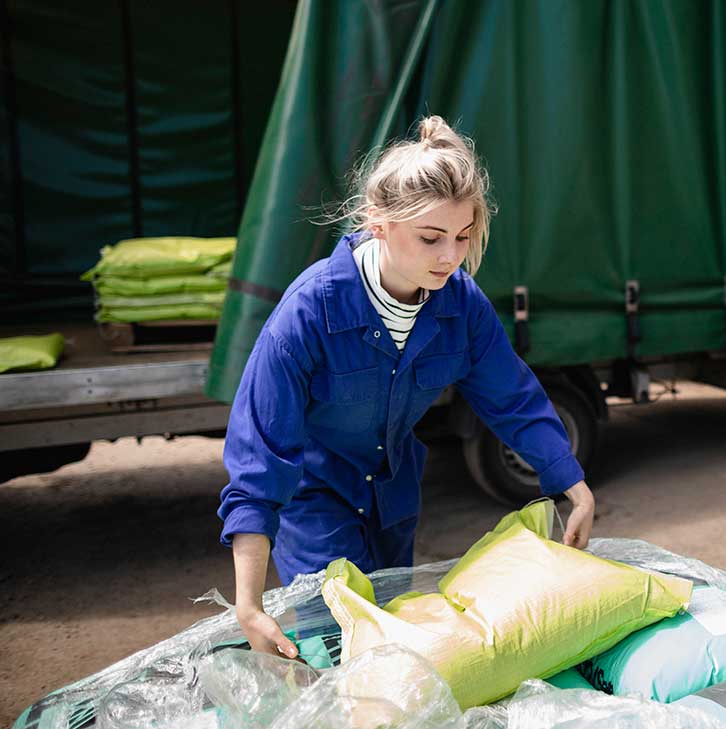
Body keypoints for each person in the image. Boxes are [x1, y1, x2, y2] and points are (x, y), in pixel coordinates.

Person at [217, 116, 595, 658]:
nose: (451, 256)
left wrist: (572, 485)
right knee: (344, 645)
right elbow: (259, 461)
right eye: (431, 238)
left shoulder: (459, 304)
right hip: (316, 499)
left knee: (393, 643)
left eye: (463, 237)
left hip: (394, 492)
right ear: (378, 222)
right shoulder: (308, 314)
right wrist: (249, 604)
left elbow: (512, 397)